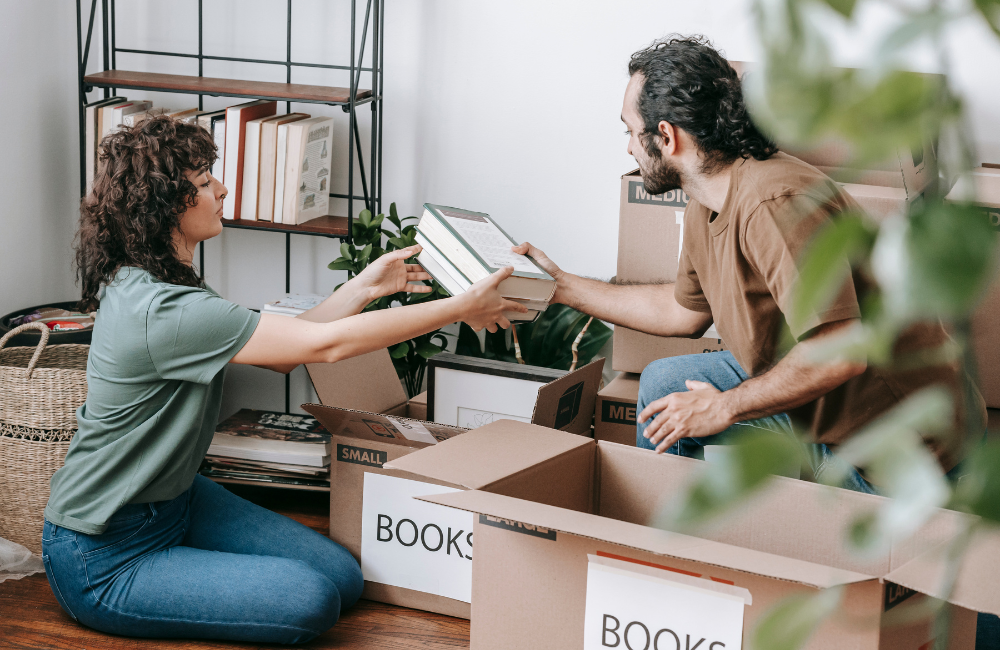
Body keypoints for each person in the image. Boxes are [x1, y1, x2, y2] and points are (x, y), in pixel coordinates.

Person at [516, 35, 997, 649]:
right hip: (824, 411)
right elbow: (679, 310)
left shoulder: (772, 201)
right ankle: (686, 584)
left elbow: (843, 348)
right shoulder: (707, 198)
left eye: (629, 129)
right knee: (667, 391)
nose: (627, 144)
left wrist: (723, 406)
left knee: (943, 626)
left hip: (902, 441)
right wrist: (561, 287)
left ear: (668, 138)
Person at [41, 116, 526, 644]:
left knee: (342, 578)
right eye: (204, 183)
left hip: (175, 501)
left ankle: (188, 567)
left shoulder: (159, 281)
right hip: (104, 553)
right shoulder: (164, 309)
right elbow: (322, 346)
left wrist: (366, 286)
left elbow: (286, 347)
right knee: (308, 600)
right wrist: (458, 307)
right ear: (165, 205)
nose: (221, 189)